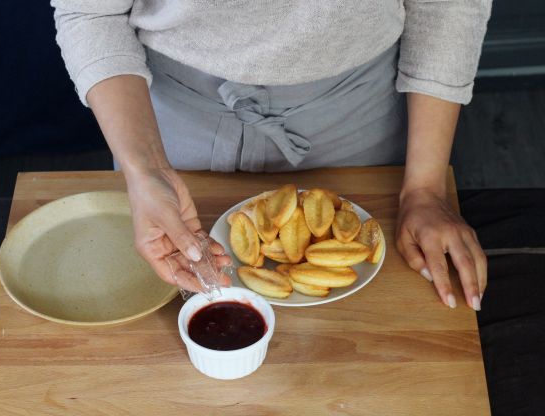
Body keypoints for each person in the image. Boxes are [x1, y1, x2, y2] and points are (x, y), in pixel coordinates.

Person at [51, 0, 492, 310]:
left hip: (356, 116)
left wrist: (425, 188)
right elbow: (91, 11)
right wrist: (145, 169)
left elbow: (447, 5)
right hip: (163, 123)